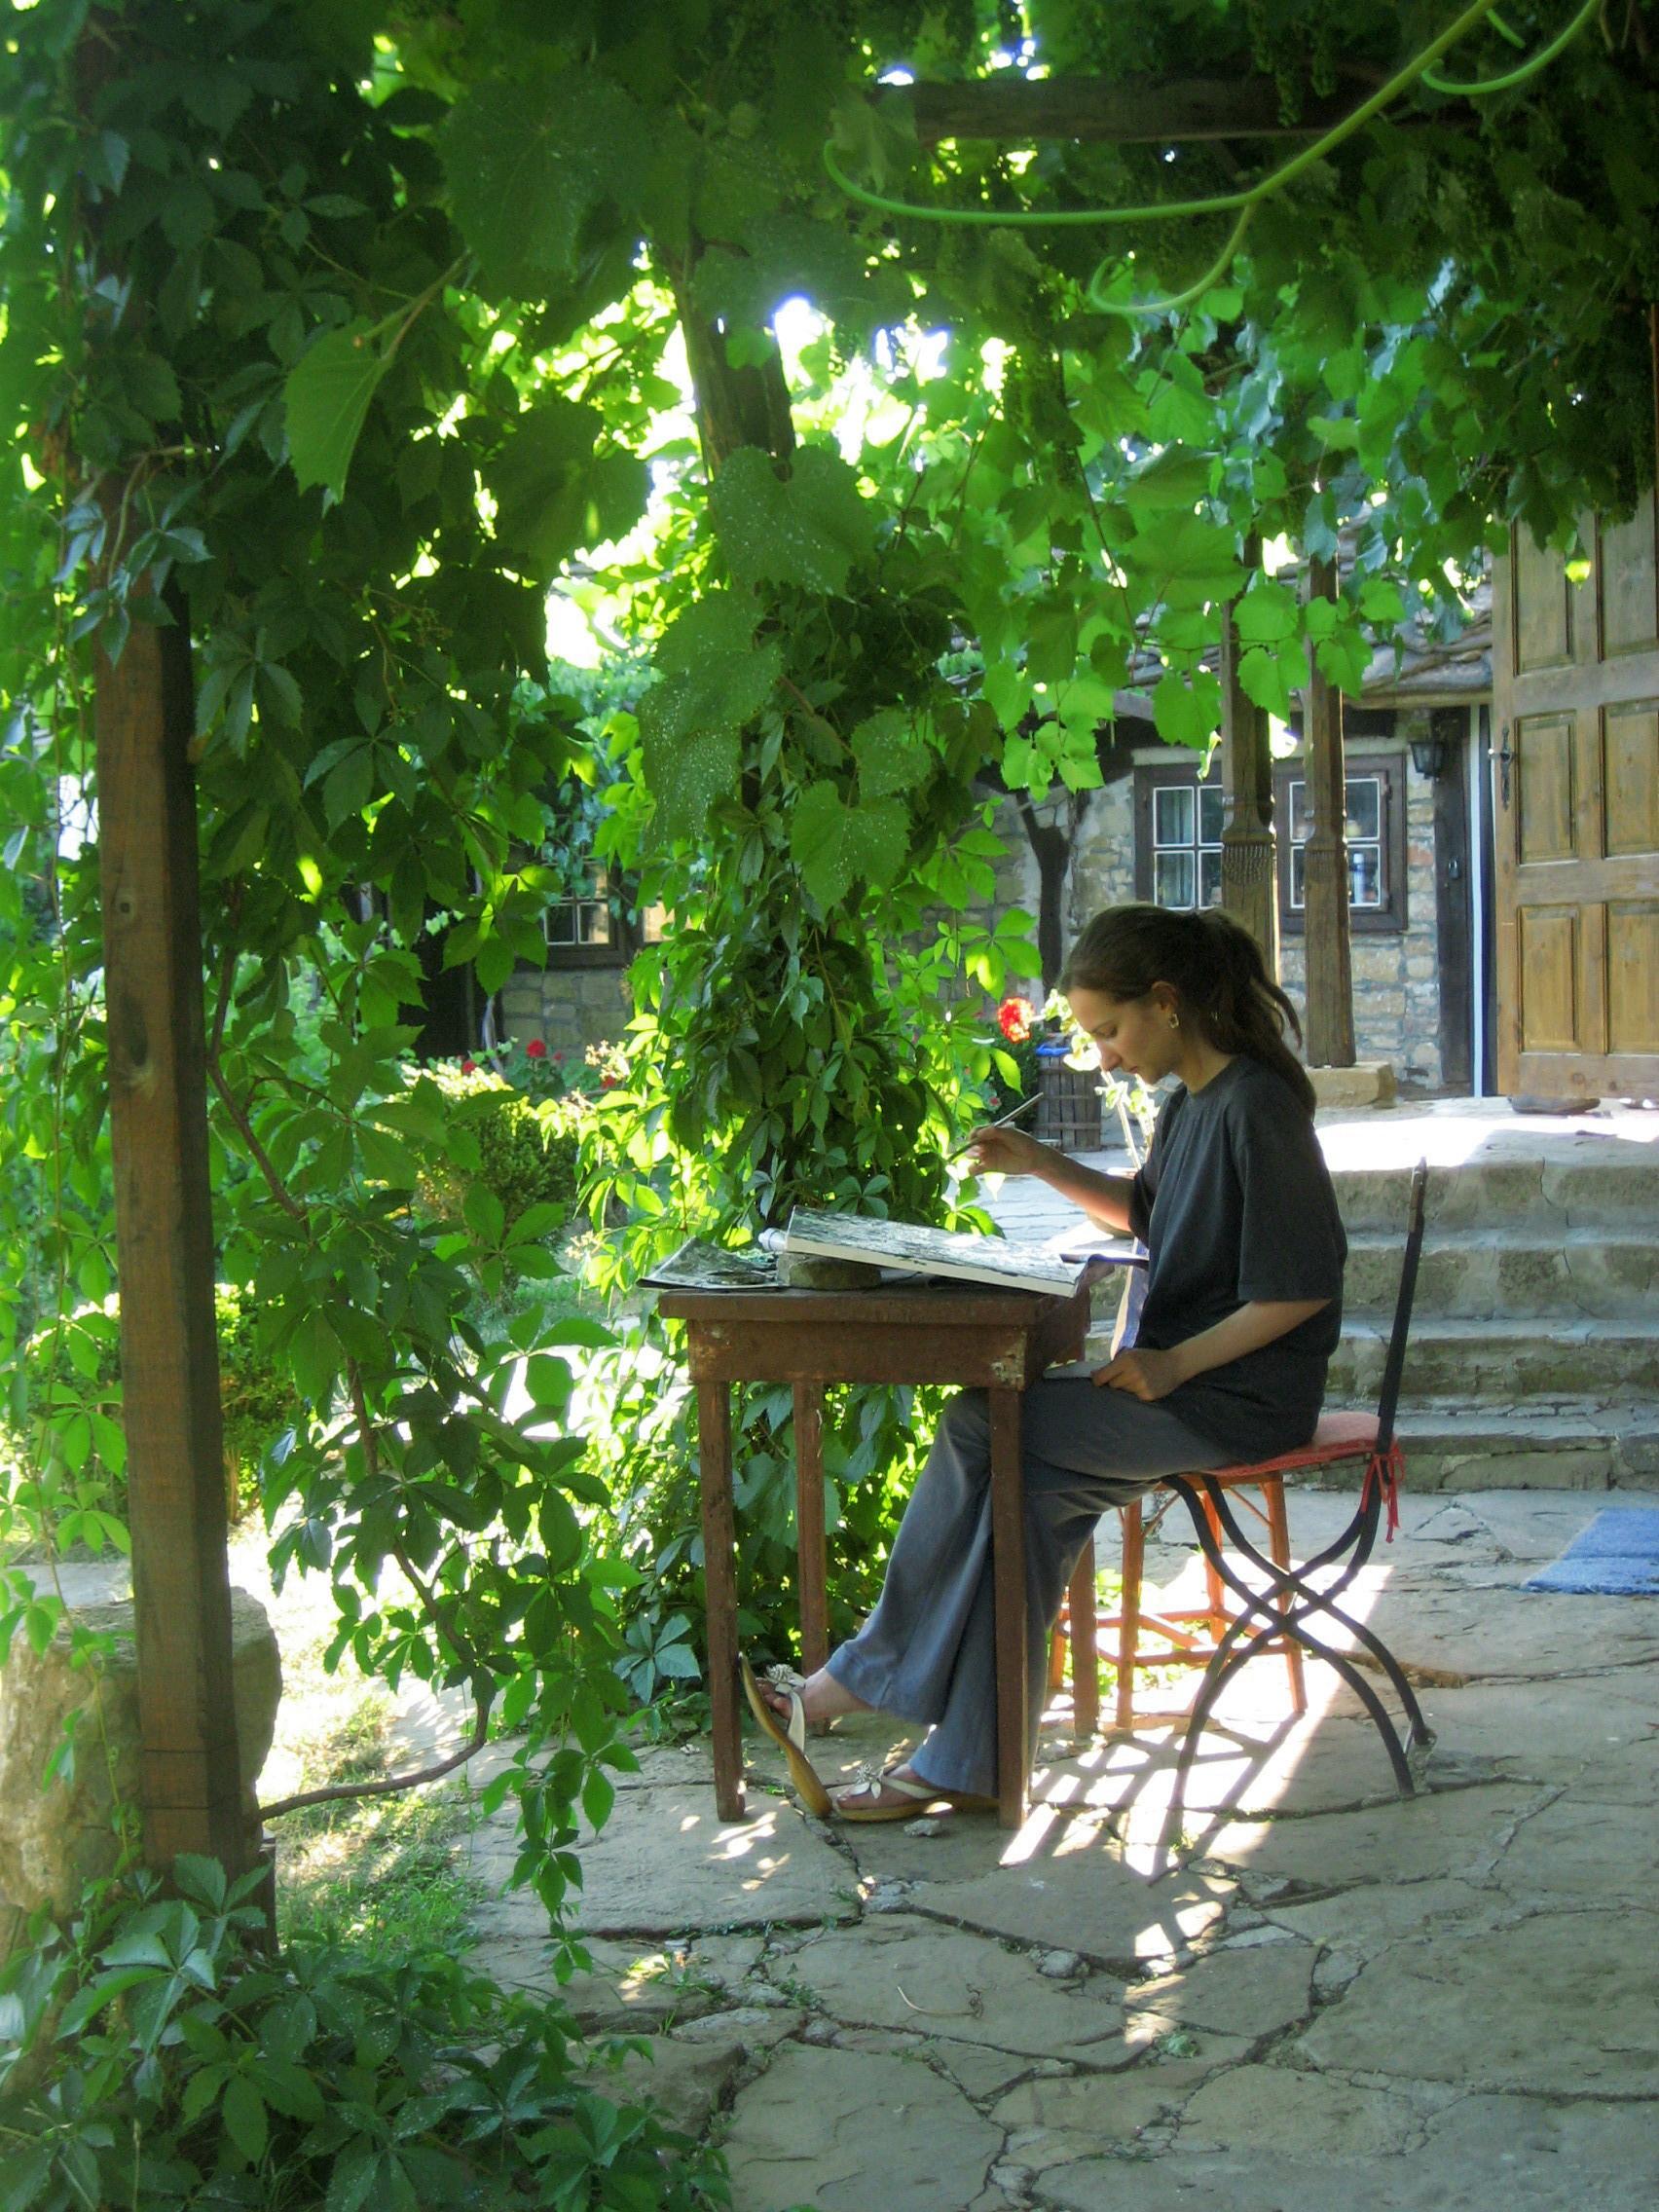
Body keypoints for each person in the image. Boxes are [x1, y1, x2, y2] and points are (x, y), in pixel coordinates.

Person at [745, 903, 1347, 1821]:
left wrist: (1175, 1365)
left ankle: (851, 1683)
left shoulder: (1258, 1107)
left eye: (1110, 1031)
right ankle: (969, 1766)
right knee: (1026, 1503)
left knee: (980, 1421)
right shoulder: (1191, 1107)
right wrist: (1039, 1163)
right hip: (1186, 1386)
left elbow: (1299, 1290)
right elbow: (1147, 1213)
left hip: (1236, 1399)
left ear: (1167, 1001)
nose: (1103, 1056)